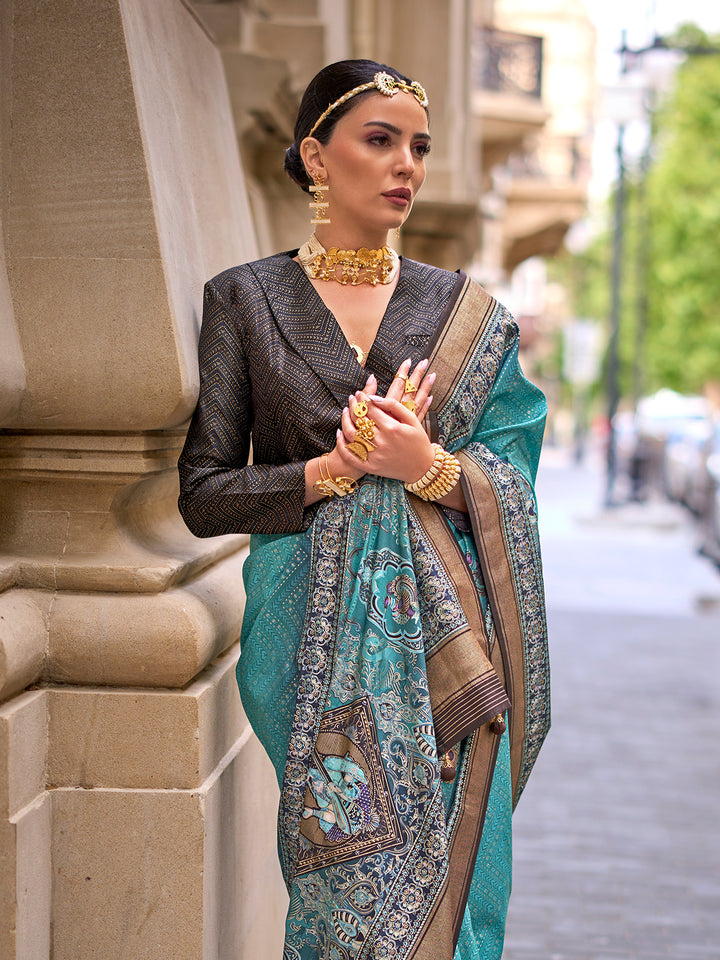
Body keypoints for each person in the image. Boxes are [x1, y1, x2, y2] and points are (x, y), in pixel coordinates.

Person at [178, 59, 549, 960]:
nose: (406, 166)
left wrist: (426, 466)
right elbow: (202, 494)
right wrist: (328, 469)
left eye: (417, 147)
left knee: (440, 899)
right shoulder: (246, 299)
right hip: (301, 641)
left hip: (449, 655)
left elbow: (514, 472)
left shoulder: (463, 313)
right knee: (338, 896)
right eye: (379, 141)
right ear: (315, 156)